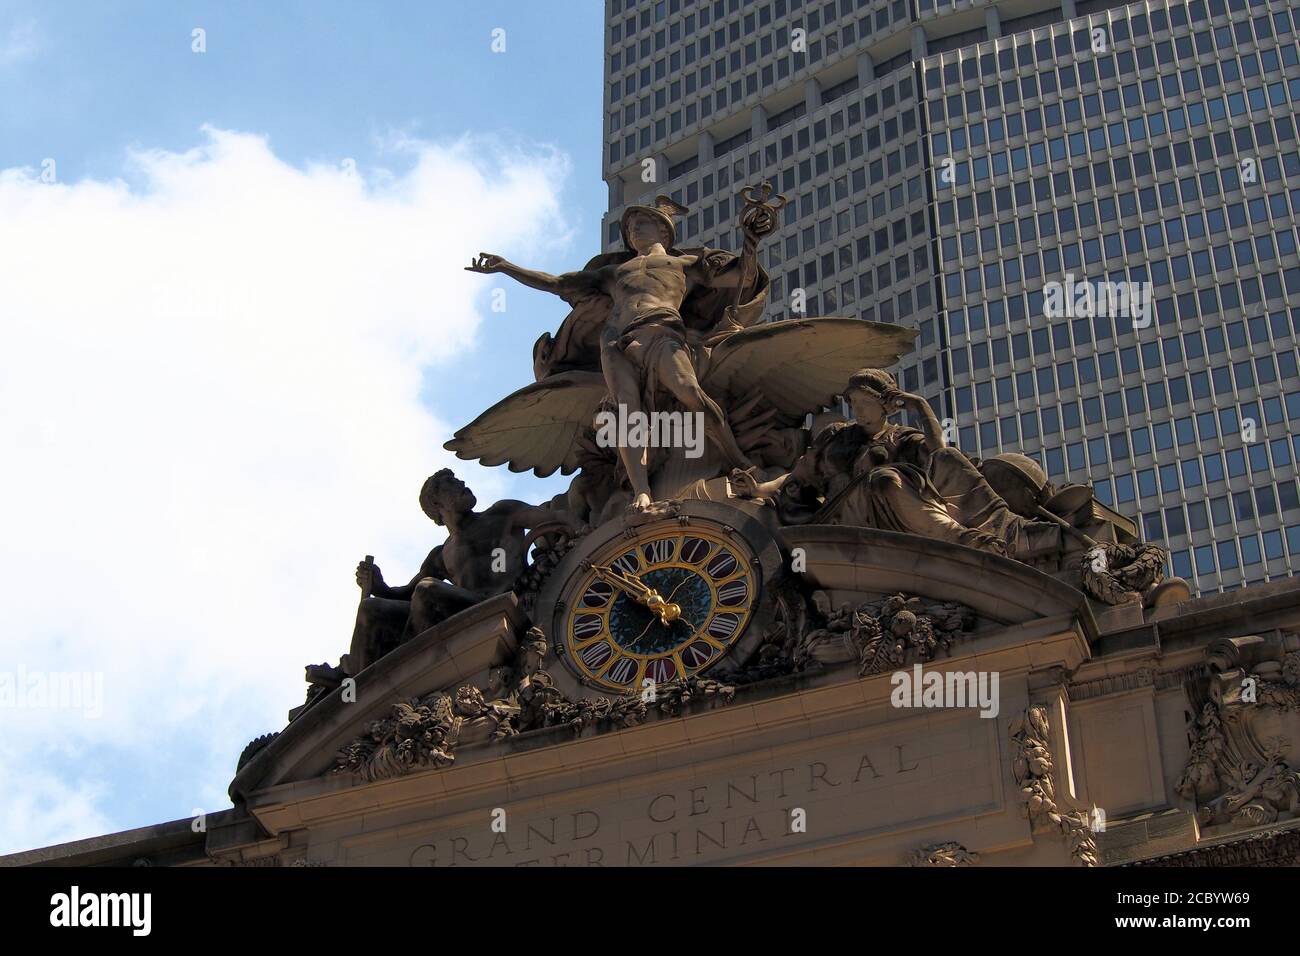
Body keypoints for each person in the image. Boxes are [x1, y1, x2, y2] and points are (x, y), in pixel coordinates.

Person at [466, 197, 767, 511]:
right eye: (629, 227)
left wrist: (751, 242)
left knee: (690, 391)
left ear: (664, 232)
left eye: (641, 224)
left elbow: (743, 277)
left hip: (661, 331)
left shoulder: (685, 265)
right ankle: (642, 491)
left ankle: (739, 460)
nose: (633, 229)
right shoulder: (613, 272)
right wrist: (507, 267)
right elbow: (557, 283)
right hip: (614, 341)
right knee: (627, 412)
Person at [730, 368, 1051, 557]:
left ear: (887, 406)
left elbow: (938, 453)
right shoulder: (836, 437)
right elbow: (796, 478)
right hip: (840, 517)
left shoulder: (902, 438)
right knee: (885, 480)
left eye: (866, 403)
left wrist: (922, 407)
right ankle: (964, 541)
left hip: (890, 514)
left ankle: (1006, 528)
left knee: (947, 457)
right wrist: (758, 488)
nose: (859, 410)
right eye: (854, 403)